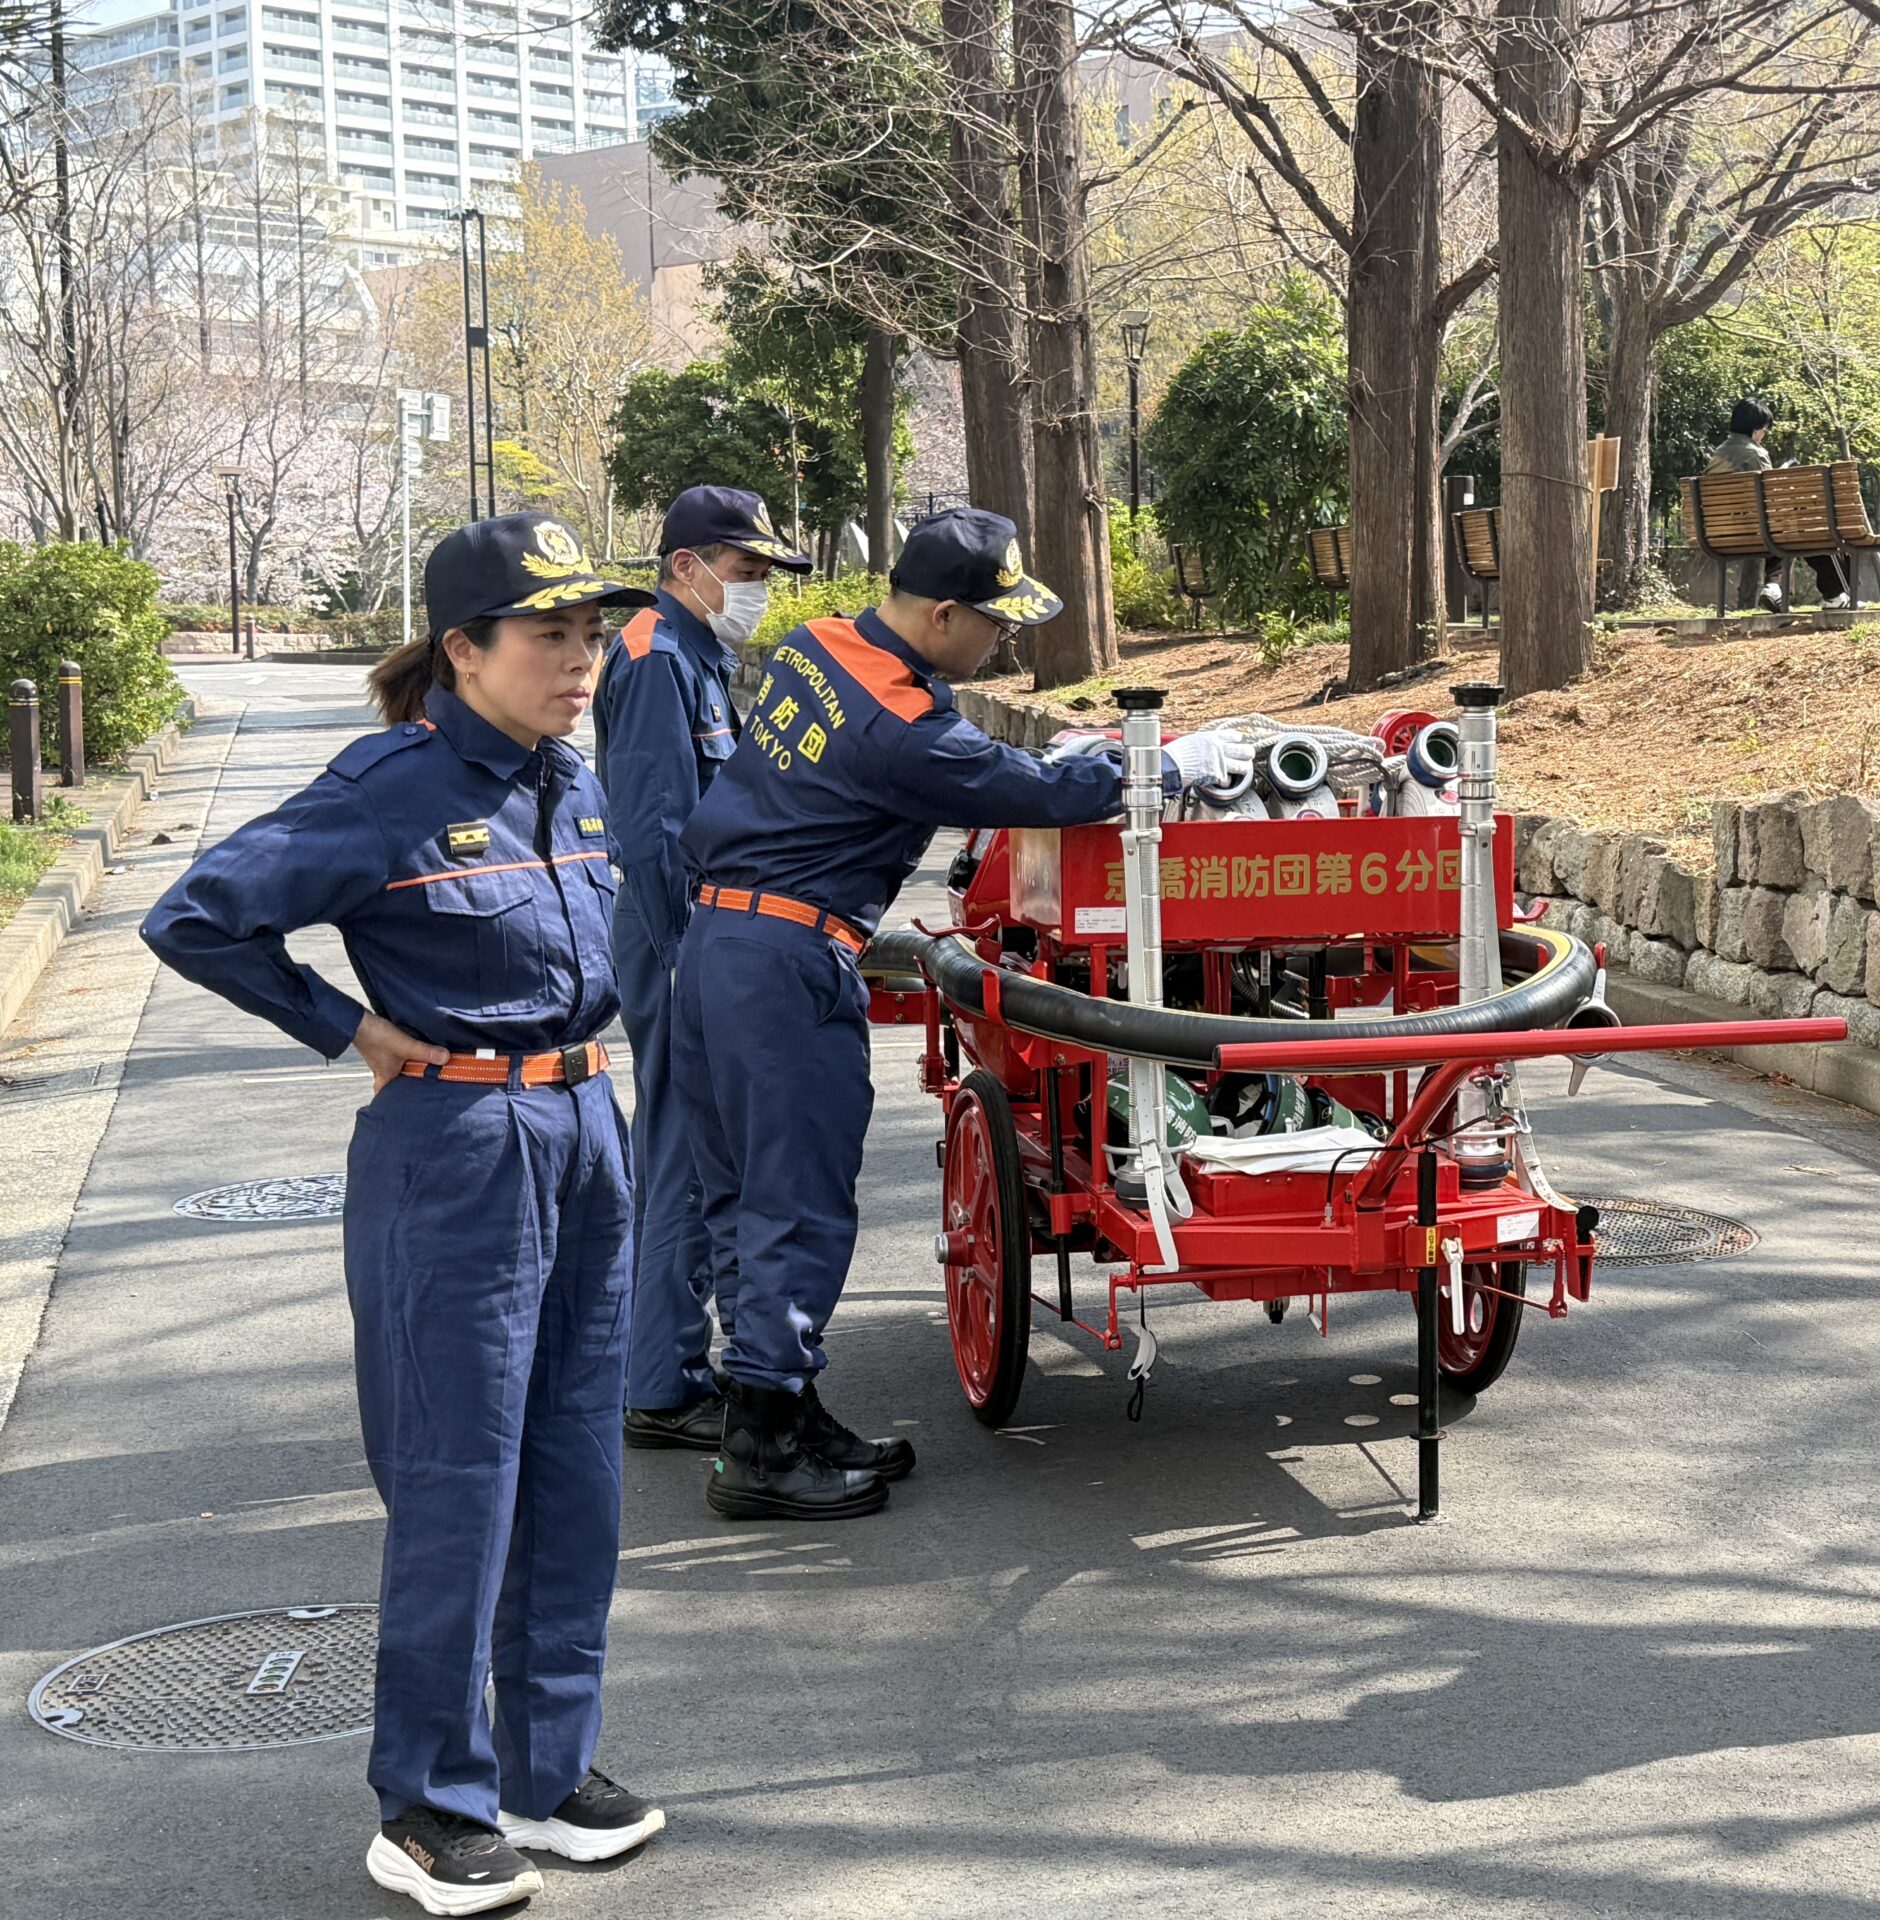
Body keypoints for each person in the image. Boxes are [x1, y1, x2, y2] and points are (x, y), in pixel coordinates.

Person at [141, 514, 668, 1912]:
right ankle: (429, 1804)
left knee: (574, 1461)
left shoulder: (569, 781)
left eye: (592, 634)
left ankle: (547, 1769)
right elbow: (197, 915)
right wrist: (347, 1026)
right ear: (464, 651)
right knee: (457, 1475)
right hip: (458, 1149)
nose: (581, 660)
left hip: (582, 1126)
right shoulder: (388, 789)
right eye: (550, 635)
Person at [672, 507, 1252, 1519]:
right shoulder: (897, 727)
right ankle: (762, 1449)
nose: (1003, 644)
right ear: (943, 614)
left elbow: (954, 747)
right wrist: (1162, 766)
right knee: (797, 1200)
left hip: (718, 943)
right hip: (784, 965)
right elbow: (1026, 789)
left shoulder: (819, 645)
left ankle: (777, 1404)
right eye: (996, 624)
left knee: (743, 1196)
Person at [596, 485, 813, 1452]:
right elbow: (652, 832)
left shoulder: (691, 651)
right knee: (686, 1151)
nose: (758, 588)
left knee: (687, 1146)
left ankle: (663, 1367)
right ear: (686, 566)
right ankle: (662, 1382)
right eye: (746, 569)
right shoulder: (655, 658)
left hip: (689, 930)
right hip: (673, 931)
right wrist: (688, 960)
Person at [1705, 397, 1851, 613]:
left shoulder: (1718, 453)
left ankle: (1774, 587)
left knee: (1786, 532)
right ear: (1757, 429)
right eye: (1765, 430)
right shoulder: (1755, 453)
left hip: (1720, 532)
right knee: (1815, 531)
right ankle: (1835, 595)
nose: (1764, 435)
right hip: (1757, 529)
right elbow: (1771, 498)